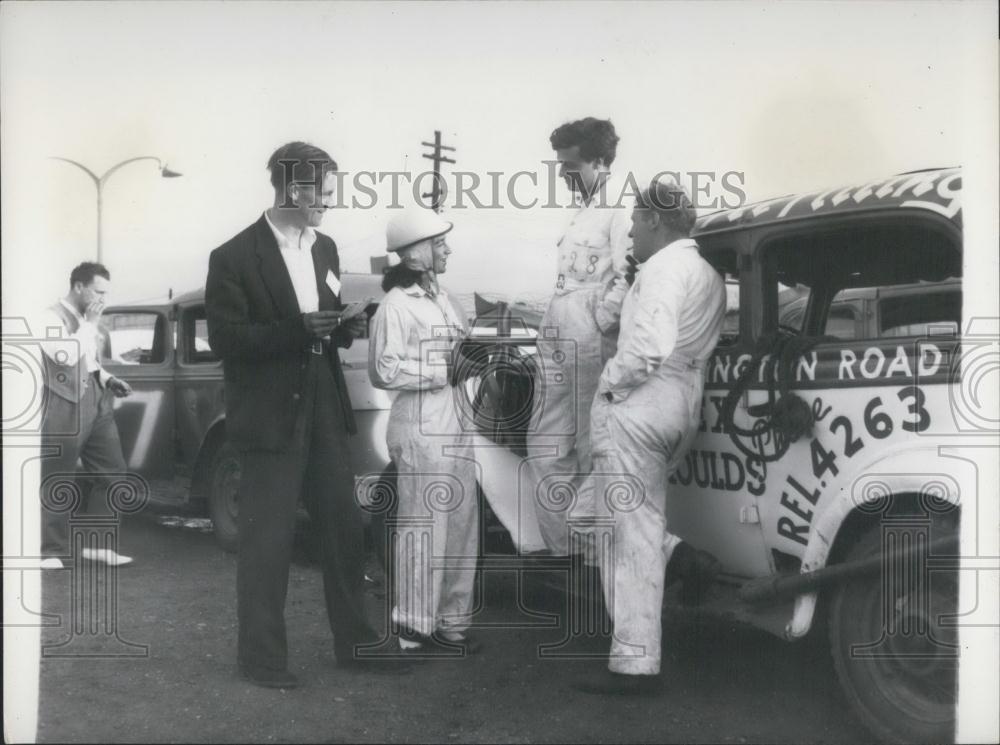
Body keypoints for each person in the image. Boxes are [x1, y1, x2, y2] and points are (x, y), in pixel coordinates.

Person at [205, 142, 401, 690]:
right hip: (268, 416)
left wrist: (343, 328)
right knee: (266, 543)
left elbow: (325, 317)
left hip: (322, 405)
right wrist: (299, 329)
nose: (330, 205)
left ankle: (358, 646)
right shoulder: (234, 256)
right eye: (326, 193)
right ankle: (261, 661)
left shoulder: (327, 248)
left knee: (343, 531)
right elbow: (224, 338)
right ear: (295, 190)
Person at [573, 177, 726, 695]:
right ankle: (678, 554)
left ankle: (635, 666)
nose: (631, 231)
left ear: (655, 220)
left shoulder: (662, 269)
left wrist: (610, 385)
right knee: (589, 516)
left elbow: (647, 348)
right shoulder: (705, 271)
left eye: (636, 221)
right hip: (684, 400)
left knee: (630, 536)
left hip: (643, 400)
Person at [368, 208, 482, 655]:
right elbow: (383, 369)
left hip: (455, 420)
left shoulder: (443, 299)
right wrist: (443, 370)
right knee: (423, 525)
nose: (447, 249)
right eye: (439, 244)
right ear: (417, 254)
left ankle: (452, 623)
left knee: (460, 523)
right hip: (419, 423)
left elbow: (458, 350)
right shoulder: (396, 307)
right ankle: (413, 626)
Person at [526, 117, 632, 556]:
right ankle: (566, 550)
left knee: (593, 446)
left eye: (572, 166)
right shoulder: (582, 210)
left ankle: (595, 557)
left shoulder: (621, 207)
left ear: (601, 161)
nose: (564, 176)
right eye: (560, 167)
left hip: (591, 334)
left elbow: (631, 273)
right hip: (558, 326)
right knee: (545, 444)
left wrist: (602, 320)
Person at [37, 262, 135, 569]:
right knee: (58, 475)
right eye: (98, 291)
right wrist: (90, 324)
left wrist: (107, 379)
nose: (102, 299)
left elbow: (88, 361)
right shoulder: (49, 316)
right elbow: (63, 356)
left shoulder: (84, 319)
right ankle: (50, 550)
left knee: (113, 469)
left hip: (97, 399)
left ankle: (97, 544)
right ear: (79, 287)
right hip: (63, 403)